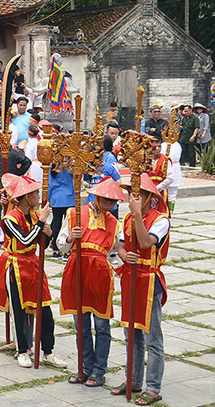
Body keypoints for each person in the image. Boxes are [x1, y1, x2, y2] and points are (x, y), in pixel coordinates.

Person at [0, 173, 66, 368]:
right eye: (35, 194)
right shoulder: (9, 219)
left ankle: (48, 351)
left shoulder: (35, 215)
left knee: (45, 311)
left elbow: (42, 244)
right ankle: (22, 350)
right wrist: (41, 223)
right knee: (18, 311)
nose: (38, 197)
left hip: (34, 265)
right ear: (25, 197)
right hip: (16, 266)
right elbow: (25, 240)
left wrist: (48, 233)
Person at [57, 177, 125, 387]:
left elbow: (115, 253)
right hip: (77, 271)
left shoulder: (115, 224)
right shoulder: (73, 214)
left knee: (102, 324)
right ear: (96, 197)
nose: (109, 204)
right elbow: (60, 244)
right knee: (81, 324)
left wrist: (122, 269)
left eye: (113, 201)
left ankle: (99, 369)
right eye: (106, 200)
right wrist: (71, 238)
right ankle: (85, 366)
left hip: (100, 276)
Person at [111, 174, 170, 406]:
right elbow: (121, 247)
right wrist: (126, 255)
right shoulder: (126, 218)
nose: (131, 198)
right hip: (130, 277)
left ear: (148, 197)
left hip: (149, 279)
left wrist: (137, 214)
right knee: (131, 334)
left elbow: (145, 243)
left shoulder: (161, 220)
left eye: (137, 194)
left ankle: (153, 387)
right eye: (130, 193)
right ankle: (133, 380)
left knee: (152, 337)